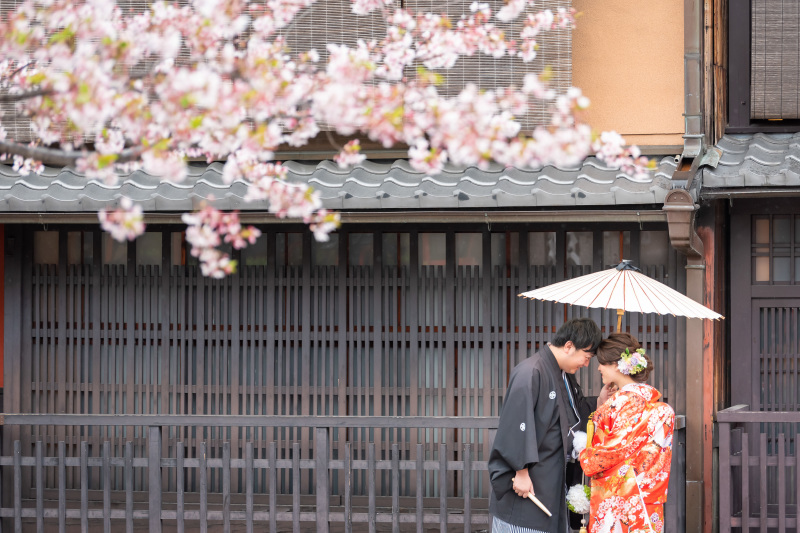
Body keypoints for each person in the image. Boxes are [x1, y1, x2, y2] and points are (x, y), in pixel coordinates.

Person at [488, 317, 615, 533]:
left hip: (551, 477)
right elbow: (516, 424)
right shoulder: (531, 371)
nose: (586, 364)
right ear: (568, 346)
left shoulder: (563, 375)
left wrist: (601, 401)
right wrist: (520, 470)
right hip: (530, 481)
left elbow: (574, 413)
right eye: (586, 357)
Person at [577, 333, 675, 533]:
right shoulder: (657, 406)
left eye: (602, 363)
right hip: (648, 499)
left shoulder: (620, 404)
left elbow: (609, 453)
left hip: (620, 502)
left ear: (616, 364)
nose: (598, 368)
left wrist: (584, 454)